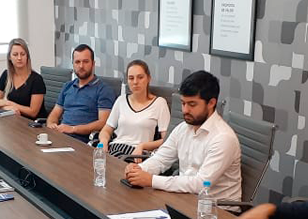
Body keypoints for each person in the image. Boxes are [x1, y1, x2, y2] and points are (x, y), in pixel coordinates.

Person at [124, 71, 241, 203]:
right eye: (183, 103)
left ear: (211, 103)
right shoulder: (183, 128)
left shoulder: (223, 138)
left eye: (192, 104)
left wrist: (151, 180)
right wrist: (139, 170)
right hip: (185, 200)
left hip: (216, 209)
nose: (185, 110)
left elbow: (201, 184)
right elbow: (161, 159)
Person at [97, 60, 170, 158]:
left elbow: (167, 140)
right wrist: (103, 141)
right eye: (131, 78)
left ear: (148, 78)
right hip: (114, 148)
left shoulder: (159, 103)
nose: (135, 82)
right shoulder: (121, 100)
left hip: (138, 154)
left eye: (140, 77)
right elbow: (106, 130)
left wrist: (142, 146)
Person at [46, 44, 116, 143]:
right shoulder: (67, 86)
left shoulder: (103, 90)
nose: (81, 66)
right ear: (73, 64)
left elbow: (103, 123)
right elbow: (55, 113)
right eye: (77, 62)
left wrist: (73, 129)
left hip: (81, 142)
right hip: (60, 136)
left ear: (93, 64)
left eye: (85, 61)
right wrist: (51, 124)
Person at [0, 38, 47, 119]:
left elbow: (33, 112)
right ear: (9, 57)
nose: (19, 58)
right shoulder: (6, 75)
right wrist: (6, 108)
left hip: (33, 123)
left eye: (23, 54)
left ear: (27, 57)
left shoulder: (37, 80)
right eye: (15, 54)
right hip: (14, 120)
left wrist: (10, 104)